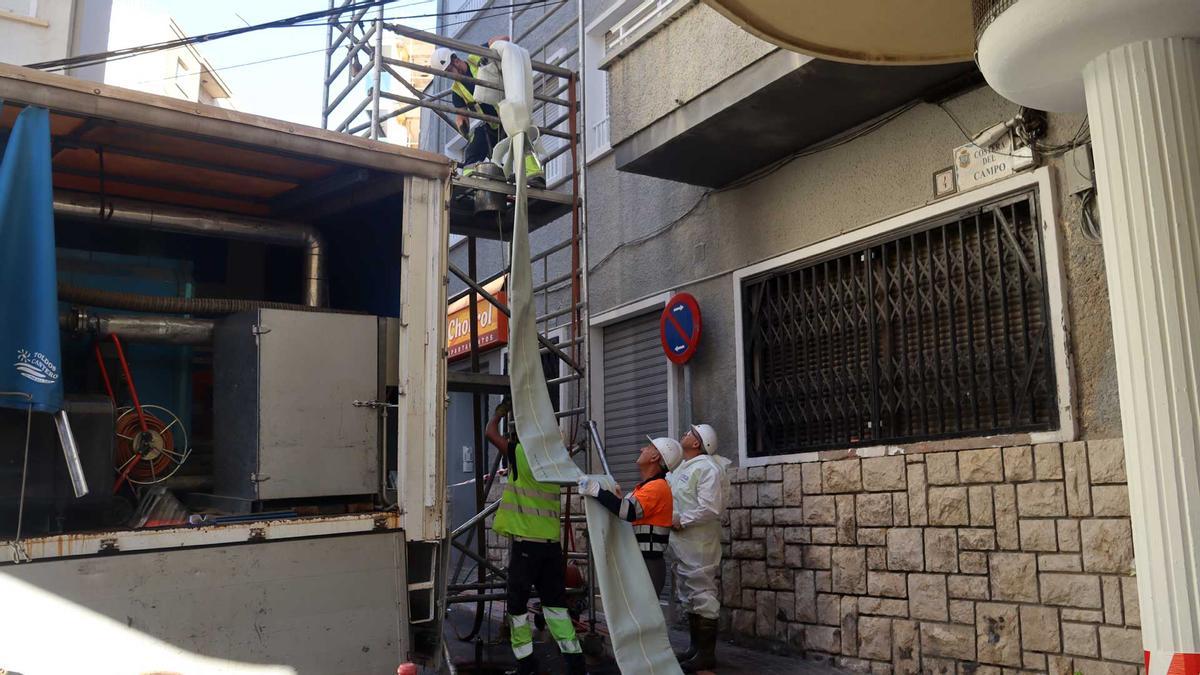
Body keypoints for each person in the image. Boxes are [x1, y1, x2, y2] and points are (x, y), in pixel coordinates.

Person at [485, 400, 585, 675]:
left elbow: (490, 432)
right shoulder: (555, 462)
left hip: (527, 546)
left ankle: (526, 663)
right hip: (551, 548)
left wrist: (499, 413)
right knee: (555, 606)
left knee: (517, 607)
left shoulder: (521, 456)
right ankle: (575, 663)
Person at [576, 436, 681, 596]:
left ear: (655, 457)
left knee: (645, 615)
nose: (642, 449)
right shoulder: (647, 487)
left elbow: (627, 511)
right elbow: (628, 513)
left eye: (647, 447)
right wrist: (617, 500)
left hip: (648, 563)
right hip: (642, 561)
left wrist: (596, 490)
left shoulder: (657, 487)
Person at [432, 41, 544, 186]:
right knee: (473, 149)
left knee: (521, 141)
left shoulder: (476, 55)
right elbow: (461, 116)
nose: (450, 76)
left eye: (449, 71)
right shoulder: (457, 90)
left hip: (509, 115)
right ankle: (470, 182)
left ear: (456, 61)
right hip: (492, 125)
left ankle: (534, 176)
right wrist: (463, 127)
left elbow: (503, 38)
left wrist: (489, 54)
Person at [669, 423, 725, 672]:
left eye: (691, 433)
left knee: (702, 592)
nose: (685, 433)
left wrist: (683, 520)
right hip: (683, 541)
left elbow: (710, 507)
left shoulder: (707, 468)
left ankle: (706, 656)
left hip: (699, 541)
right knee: (690, 594)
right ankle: (695, 649)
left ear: (698, 443)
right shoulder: (684, 466)